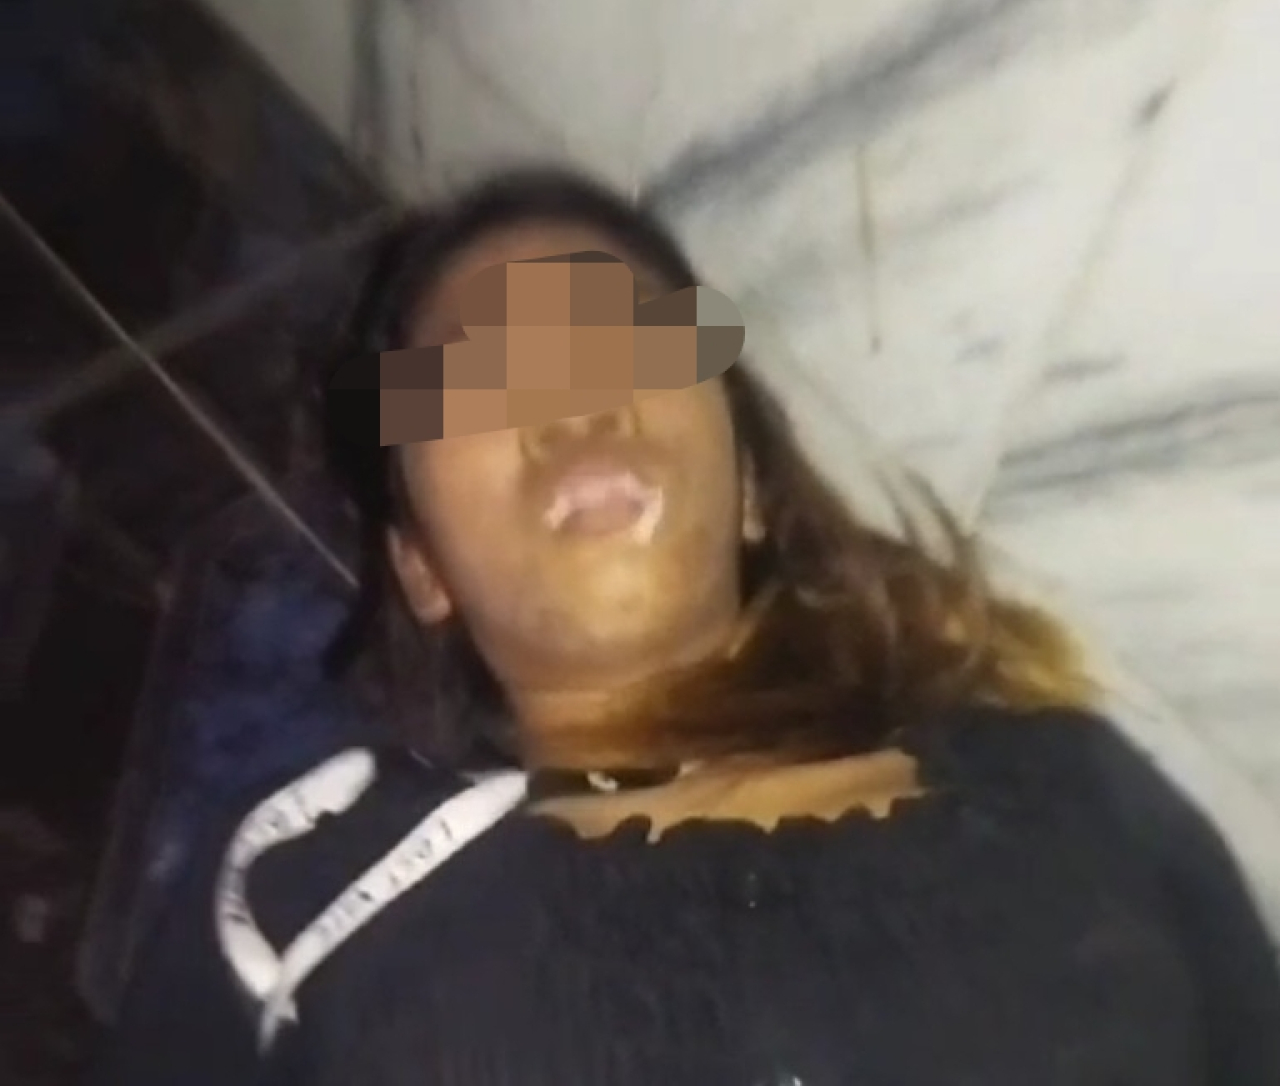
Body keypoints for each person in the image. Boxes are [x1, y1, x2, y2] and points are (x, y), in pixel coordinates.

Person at [93, 169, 1280, 1086]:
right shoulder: (301, 883)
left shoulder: (1064, 783)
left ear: (751, 483)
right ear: (423, 570)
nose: (567, 396)